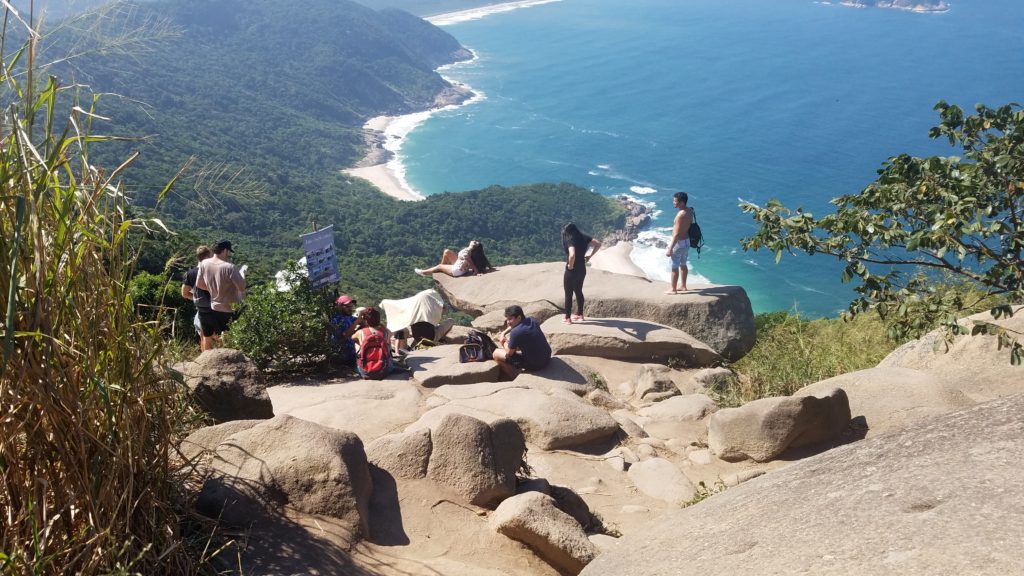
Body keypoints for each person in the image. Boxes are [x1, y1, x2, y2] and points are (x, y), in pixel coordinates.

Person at [196, 239, 246, 348]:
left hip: (214, 307)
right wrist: (243, 276)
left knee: (220, 335)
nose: (228, 254)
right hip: (230, 308)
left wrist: (213, 289)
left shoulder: (204, 263)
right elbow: (242, 288)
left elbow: (199, 284)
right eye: (228, 251)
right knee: (231, 337)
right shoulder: (230, 267)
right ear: (224, 251)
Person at [380, 289, 455, 352]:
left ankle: (414, 348)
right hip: (432, 338)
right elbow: (442, 311)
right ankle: (441, 339)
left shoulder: (413, 314)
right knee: (451, 321)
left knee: (420, 332)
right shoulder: (430, 311)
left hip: (417, 337)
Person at [492, 305, 551, 380]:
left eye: (510, 319)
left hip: (536, 365)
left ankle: (514, 376)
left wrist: (503, 341)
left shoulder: (516, 332)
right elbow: (515, 328)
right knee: (516, 344)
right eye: (507, 319)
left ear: (519, 317)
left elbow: (509, 353)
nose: (508, 322)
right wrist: (504, 332)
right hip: (547, 356)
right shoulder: (531, 320)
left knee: (496, 353)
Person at [561, 223, 602, 324]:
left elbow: (572, 255)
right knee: (578, 291)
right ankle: (580, 314)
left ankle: (567, 318)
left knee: (568, 293)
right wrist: (590, 256)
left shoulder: (570, 239)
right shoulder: (583, 236)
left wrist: (570, 266)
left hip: (572, 270)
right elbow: (598, 243)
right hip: (582, 269)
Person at [181, 245, 213, 349]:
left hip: (200, 307)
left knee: (203, 335)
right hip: (214, 308)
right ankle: (208, 361)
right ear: (208, 257)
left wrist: (195, 298)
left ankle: (204, 360)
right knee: (208, 336)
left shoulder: (190, 273)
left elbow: (184, 293)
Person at [351, 306, 393, 379]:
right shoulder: (386, 331)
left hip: (365, 372)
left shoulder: (360, 332)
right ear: (379, 320)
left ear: (366, 320)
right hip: (384, 370)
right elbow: (388, 332)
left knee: (358, 345)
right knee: (388, 344)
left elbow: (352, 338)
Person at [665, 191, 694, 294]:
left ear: (681, 203)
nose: (673, 202)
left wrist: (670, 248)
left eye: (675, 201)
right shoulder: (690, 210)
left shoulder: (680, 215)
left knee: (674, 266)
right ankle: (683, 286)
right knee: (683, 264)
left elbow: (676, 234)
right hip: (687, 242)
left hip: (679, 243)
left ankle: (673, 289)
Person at [415, 240, 481, 278]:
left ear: (473, 246)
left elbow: (470, 262)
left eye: (475, 242)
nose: (474, 241)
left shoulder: (467, 251)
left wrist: (476, 271)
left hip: (457, 270)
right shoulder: (468, 250)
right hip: (459, 264)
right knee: (446, 251)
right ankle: (442, 269)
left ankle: (423, 273)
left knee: (439, 266)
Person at [329, 294, 360, 366]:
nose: (350, 308)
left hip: (351, 355)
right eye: (347, 306)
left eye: (351, 306)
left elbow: (360, 321)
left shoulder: (349, 317)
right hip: (341, 357)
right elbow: (345, 335)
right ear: (340, 307)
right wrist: (357, 322)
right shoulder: (337, 319)